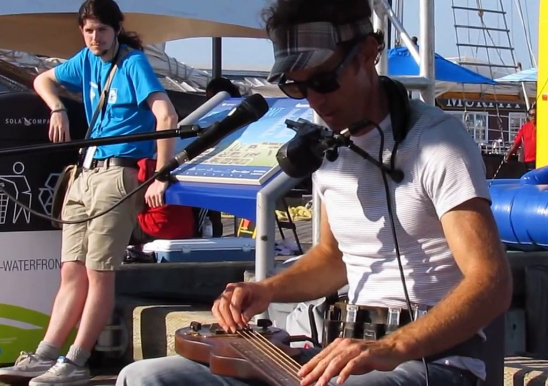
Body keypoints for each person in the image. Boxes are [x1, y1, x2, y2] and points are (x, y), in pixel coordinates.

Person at [116, 0, 512, 385]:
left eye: (324, 81)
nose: (315, 101)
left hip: (432, 360)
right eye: (296, 87)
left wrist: (394, 346)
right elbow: (332, 258)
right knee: (146, 377)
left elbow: (491, 283)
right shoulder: (328, 147)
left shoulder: (437, 143)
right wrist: (265, 289)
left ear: (368, 54)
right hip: (344, 351)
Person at [0, 0, 178, 385]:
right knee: (71, 271)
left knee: (99, 274)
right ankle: (46, 354)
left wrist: (162, 175)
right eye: (88, 30)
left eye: (101, 30)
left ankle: (76, 360)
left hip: (117, 174)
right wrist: (57, 109)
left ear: (116, 29)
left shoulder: (133, 64)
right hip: (83, 173)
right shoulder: (85, 59)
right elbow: (42, 80)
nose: (94, 38)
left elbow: (166, 114)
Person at [506, 104, 537, 170]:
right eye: (531, 115)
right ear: (528, 116)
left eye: (535, 115)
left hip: (540, 160)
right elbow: (516, 143)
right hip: (528, 161)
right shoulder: (525, 127)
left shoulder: (542, 126)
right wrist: (509, 155)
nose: (533, 117)